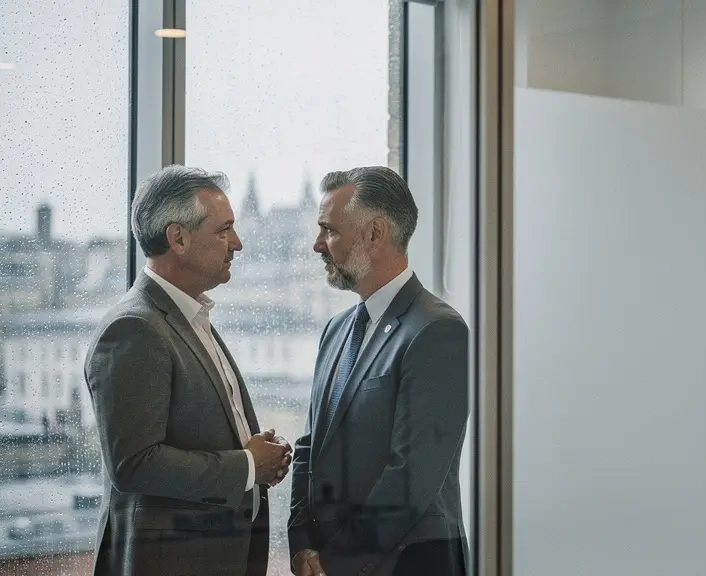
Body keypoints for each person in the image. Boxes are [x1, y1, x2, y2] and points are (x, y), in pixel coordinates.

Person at [84, 165, 292, 576]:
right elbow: (134, 464)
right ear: (178, 238)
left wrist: (253, 449)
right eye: (224, 230)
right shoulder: (134, 329)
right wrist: (250, 466)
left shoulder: (188, 316)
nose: (238, 243)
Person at [288, 167, 469, 576]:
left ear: (375, 233)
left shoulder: (437, 330)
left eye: (329, 230)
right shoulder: (335, 331)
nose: (317, 244)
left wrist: (333, 561)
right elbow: (309, 447)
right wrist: (301, 545)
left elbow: (411, 476)